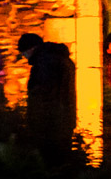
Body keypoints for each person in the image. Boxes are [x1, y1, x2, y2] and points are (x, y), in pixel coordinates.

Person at [17, 33, 78, 168]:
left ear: (31, 49)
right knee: (62, 159)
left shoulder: (45, 63)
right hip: (64, 118)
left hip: (50, 122)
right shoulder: (62, 60)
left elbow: (43, 94)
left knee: (51, 160)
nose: (24, 56)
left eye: (24, 52)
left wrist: (36, 121)